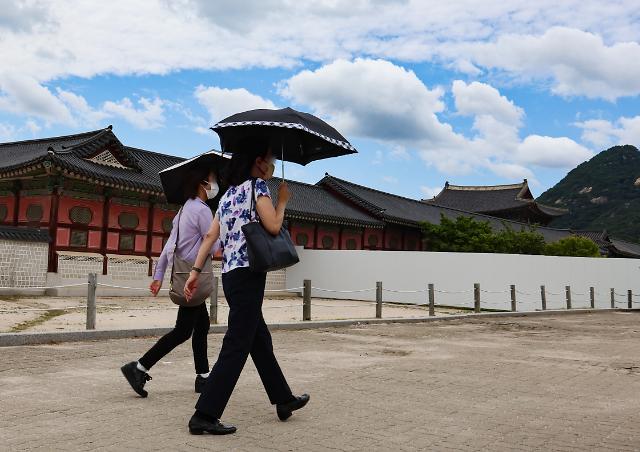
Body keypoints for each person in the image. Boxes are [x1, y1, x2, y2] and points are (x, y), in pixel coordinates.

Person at [183, 136, 309, 435]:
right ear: (258, 161)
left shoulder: (226, 197)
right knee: (238, 342)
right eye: (271, 159)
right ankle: (204, 413)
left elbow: (210, 238)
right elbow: (274, 226)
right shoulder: (257, 187)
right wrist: (282, 201)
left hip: (231, 274)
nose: (273, 165)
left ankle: (283, 399)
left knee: (258, 339)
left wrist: (195, 271)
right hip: (250, 273)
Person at [121, 167, 222, 397]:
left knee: (202, 326)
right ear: (204, 181)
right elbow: (212, 244)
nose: (216, 184)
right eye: (214, 179)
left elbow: (169, 247)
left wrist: (158, 277)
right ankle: (139, 367)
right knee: (183, 331)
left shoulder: (184, 209)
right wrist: (221, 233)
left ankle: (203, 376)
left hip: (182, 272)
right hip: (193, 276)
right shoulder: (203, 210)